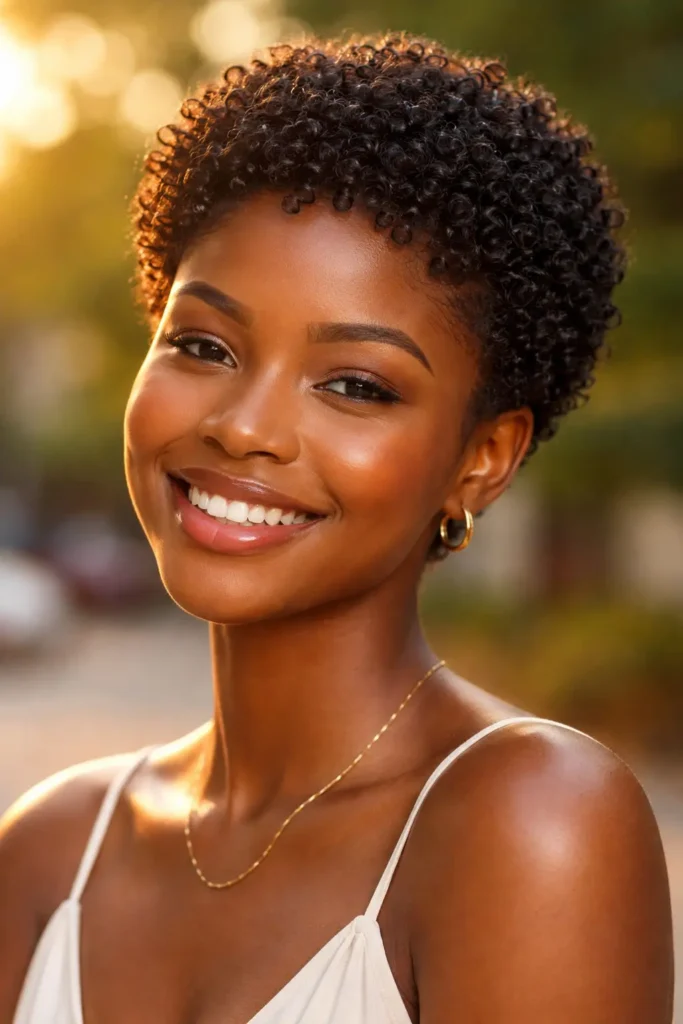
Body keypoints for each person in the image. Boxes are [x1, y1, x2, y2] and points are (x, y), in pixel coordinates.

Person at [0, 33, 674, 1024]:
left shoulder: (530, 821)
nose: (243, 425)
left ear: (480, 458)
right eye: (202, 344)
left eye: (353, 384)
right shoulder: (50, 848)